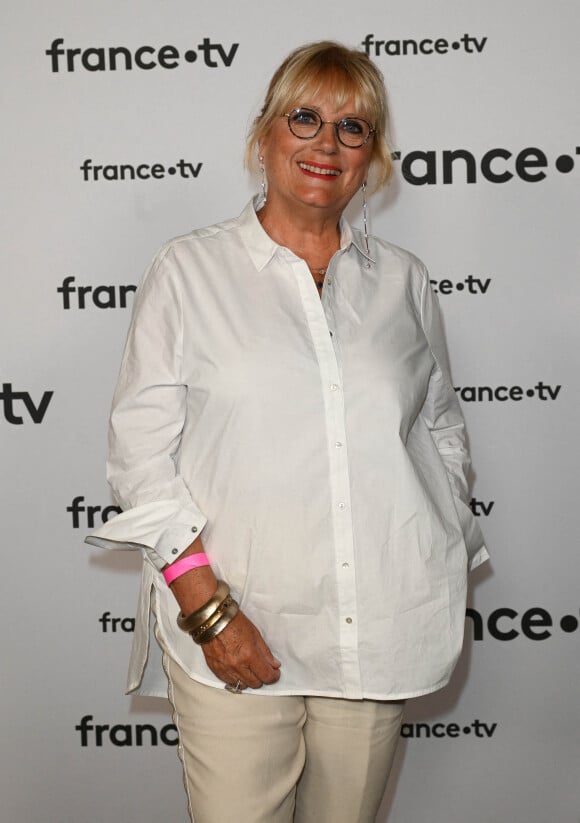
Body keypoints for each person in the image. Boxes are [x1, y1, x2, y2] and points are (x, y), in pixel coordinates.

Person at [87, 40, 488, 823]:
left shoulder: (404, 280)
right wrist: (209, 611)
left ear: (373, 155)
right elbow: (140, 454)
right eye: (305, 117)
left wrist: (438, 536)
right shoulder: (189, 271)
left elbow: (439, 426)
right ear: (264, 134)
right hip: (240, 626)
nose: (326, 144)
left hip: (377, 628)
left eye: (353, 127)